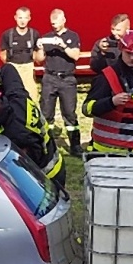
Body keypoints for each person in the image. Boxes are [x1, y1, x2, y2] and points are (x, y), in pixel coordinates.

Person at [0, 85, 63, 188]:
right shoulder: (17, 96)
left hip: (48, 175)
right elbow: (7, 69)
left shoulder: (16, 133)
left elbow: (24, 165)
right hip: (53, 155)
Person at [35, 8, 84, 156]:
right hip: (49, 78)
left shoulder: (72, 36)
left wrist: (63, 45)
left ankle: (75, 146)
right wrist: (40, 47)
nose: (54, 26)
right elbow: (39, 59)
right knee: (46, 114)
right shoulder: (47, 37)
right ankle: (46, 145)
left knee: (69, 113)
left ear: (64, 20)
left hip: (67, 79)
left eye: (56, 23)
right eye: (52, 24)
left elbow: (76, 56)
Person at [0, 7, 41, 100]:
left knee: (32, 97)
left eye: (25, 18)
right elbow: (2, 54)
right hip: (13, 68)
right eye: (20, 18)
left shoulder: (34, 34)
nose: (22, 21)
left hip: (28, 68)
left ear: (29, 18)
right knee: (13, 96)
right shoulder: (7, 35)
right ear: (15, 18)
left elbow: (37, 54)